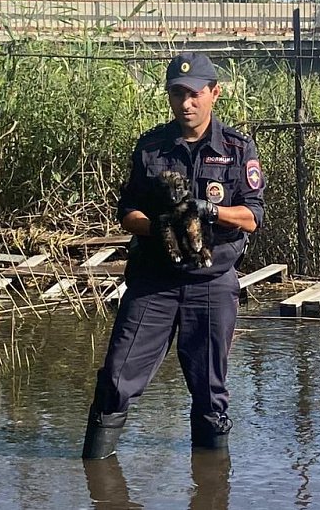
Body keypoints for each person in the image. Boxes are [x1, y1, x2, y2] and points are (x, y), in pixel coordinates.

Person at [82, 52, 265, 459]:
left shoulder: (237, 148)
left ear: (214, 93)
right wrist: (160, 227)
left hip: (211, 283)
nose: (186, 103)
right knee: (115, 379)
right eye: (177, 94)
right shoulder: (151, 148)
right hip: (154, 282)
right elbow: (127, 211)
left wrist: (209, 211)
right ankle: (96, 479)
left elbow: (252, 216)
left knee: (210, 392)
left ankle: (212, 491)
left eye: (195, 94)